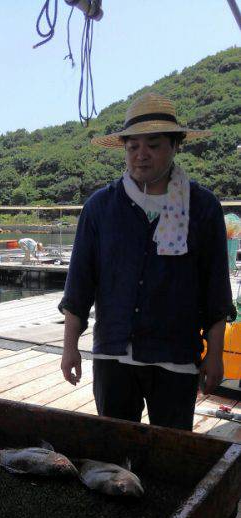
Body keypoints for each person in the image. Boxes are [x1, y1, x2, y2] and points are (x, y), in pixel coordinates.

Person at [59, 93, 234, 431]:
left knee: (170, 456)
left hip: (176, 357)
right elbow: (79, 285)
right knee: (114, 453)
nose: (141, 155)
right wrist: (70, 348)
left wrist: (215, 354)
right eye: (133, 147)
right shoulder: (100, 208)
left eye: (153, 145)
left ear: (176, 145)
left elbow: (215, 291)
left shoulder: (203, 207)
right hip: (113, 354)